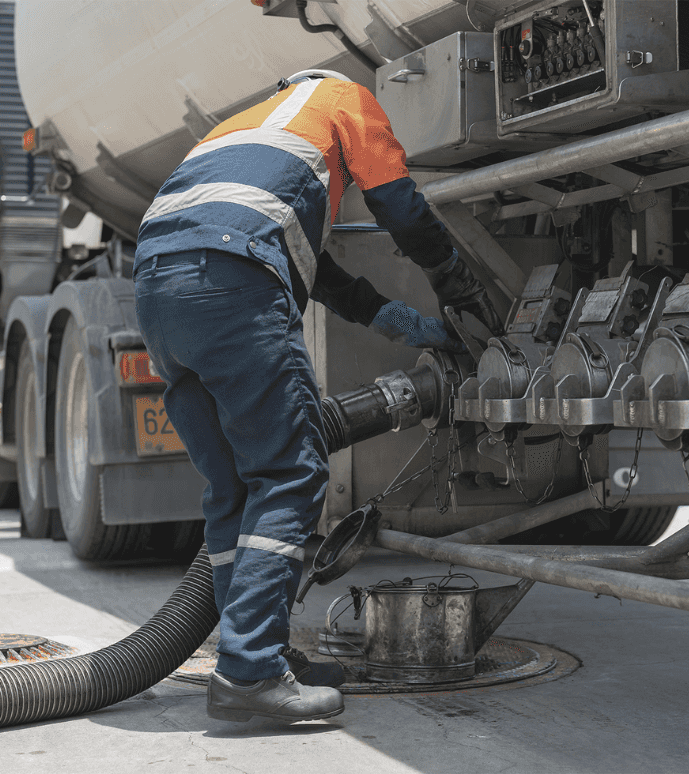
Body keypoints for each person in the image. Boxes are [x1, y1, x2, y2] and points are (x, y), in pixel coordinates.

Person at [132, 69, 502, 723]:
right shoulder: (344, 98)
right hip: (231, 281)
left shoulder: (245, 127)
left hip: (160, 289)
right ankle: (249, 675)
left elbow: (305, 259)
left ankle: (256, 650)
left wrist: (393, 318)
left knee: (234, 489)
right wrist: (454, 280)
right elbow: (399, 203)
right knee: (289, 473)